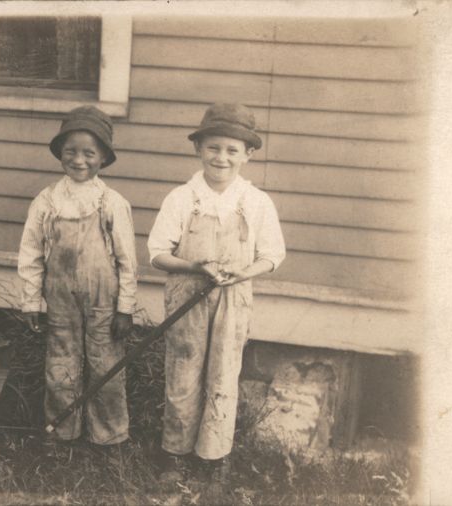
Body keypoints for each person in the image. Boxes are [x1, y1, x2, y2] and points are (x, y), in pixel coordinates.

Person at [147, 103, 286, 484]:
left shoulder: (256, 203)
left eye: (231, 150)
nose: (221, 158)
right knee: (183, 373)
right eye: (213, 148)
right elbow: (158, 253)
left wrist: (244, 272)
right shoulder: (181, 198)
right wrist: (195, 266)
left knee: (224, 374)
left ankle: (213, 458)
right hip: (187, 296)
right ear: (198, 149)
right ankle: (174, 455)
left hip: (233, 298)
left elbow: (273, 255)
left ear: (248, 155)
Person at [18, 105, 138, 446]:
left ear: (103, 158)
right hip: (59, 299)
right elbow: (31, 253)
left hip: (104, 300)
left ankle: (110, 437)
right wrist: (31, 302)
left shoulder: (111, 202)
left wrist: (125, 307)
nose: (79, 160)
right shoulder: (47, 201)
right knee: (61, 367)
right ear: (60, 154)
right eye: (71, 151)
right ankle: (61, 430)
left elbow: (127, 260)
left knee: (107, 367)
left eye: (89, 153)